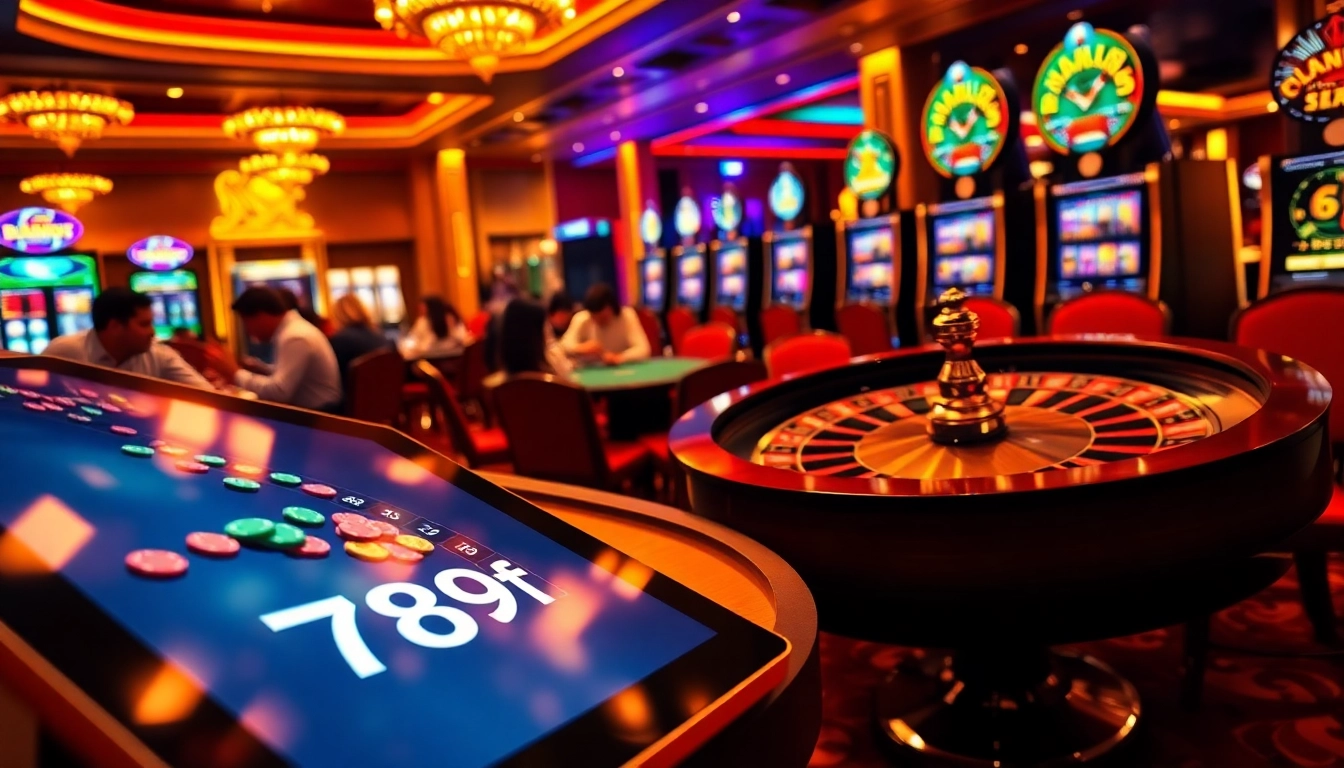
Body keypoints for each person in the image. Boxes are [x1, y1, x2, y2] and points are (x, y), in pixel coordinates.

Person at [204, 286, 342, 412]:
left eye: (246, 322)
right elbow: (288, 378)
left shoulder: (295, 336)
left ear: (261, 316)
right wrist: (260, 368)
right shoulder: (293, 330)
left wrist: (235, 373)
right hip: (315, 414)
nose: (248, 331)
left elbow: (279, 393)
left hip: (320, 419)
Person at [43, 287, 211, 388]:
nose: (153, 332)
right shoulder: (64, 351)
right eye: (144, 324)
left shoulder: (160, 355)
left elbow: (208, 396)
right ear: (115, 326)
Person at [560, 283, 651, 365]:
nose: (598, 322)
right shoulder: (582, 319)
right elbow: (563, 346)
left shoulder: (627, 316)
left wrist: (619, 357)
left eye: (603, 318)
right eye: (594, 318)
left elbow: (643, 349)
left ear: (612, 307)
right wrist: (581, 348)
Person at [328, 294, 394, 391]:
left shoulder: (339, 340)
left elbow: (332, 378)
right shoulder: (381, 336)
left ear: (337, 315)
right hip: (388, 399)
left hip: (353, 402)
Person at [499, 299, 572, 380]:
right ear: (538, 333)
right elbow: (570, 380)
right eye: (545, 325)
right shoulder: (552, 363)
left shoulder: (498, 385)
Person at [401, 295, 470, 359]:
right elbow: (414, 339)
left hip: (451, 357)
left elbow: (462, 339)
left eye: (423, 307)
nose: (420, 311)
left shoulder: (448, 318)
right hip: (429, 357)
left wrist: (452, 329)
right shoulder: (423, 322)